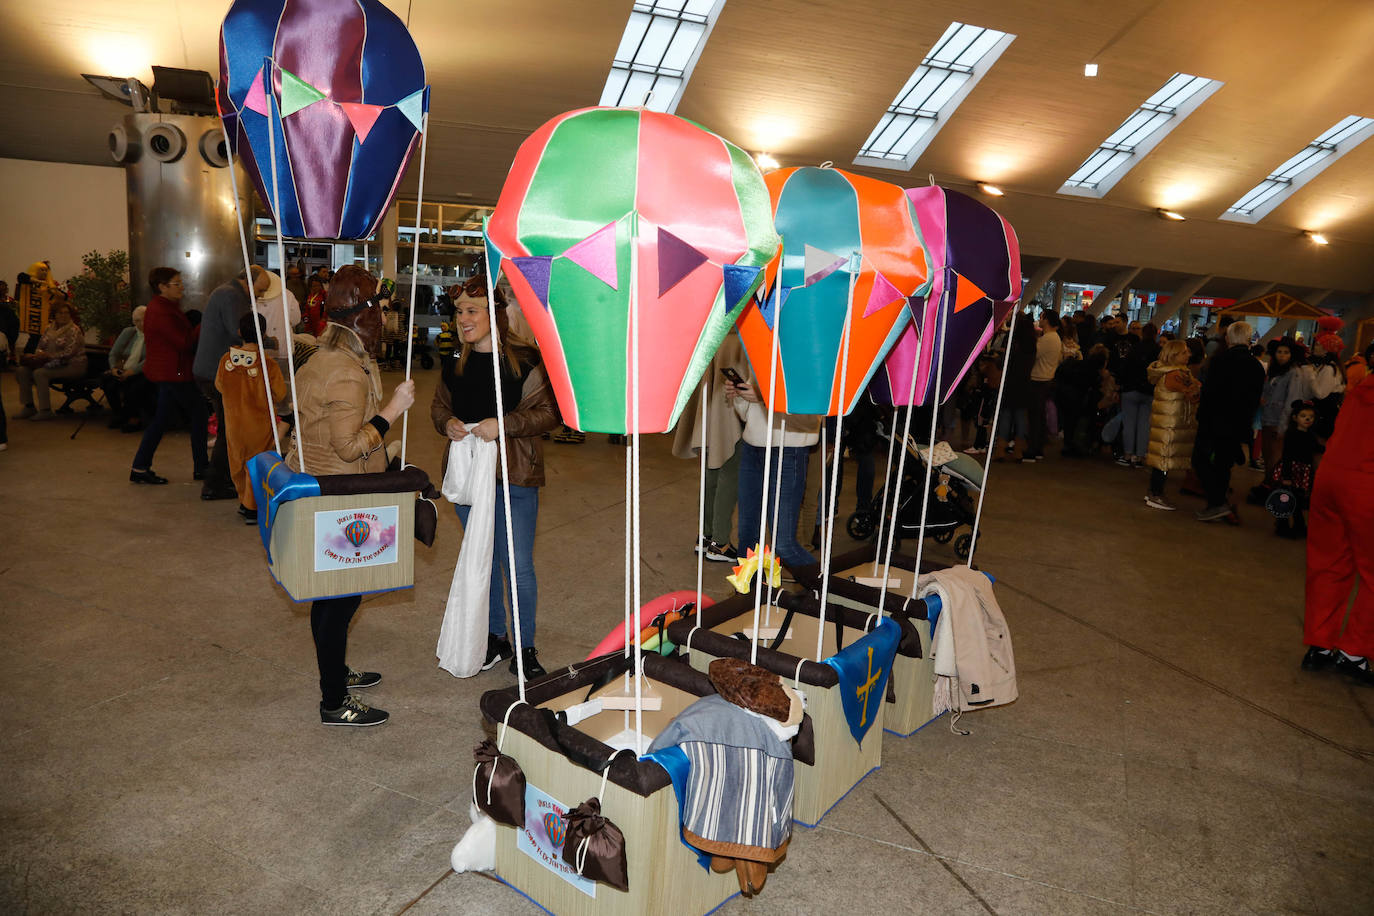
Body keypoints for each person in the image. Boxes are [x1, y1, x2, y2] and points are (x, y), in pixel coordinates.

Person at [289, 265, 415, 727]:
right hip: (340, 498)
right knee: (339, 601)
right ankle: (333, 700)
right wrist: (391, 413)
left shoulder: (327, 358)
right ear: (362, 316)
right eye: (379, 309)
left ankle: (336, 671)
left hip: (330, 493)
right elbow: (347, 447)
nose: (385, 318)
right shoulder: (345, 372)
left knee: (337, 599)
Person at [431, 275, 558, 677]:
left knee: (517, 564)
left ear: (496, 315)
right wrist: (447, 422)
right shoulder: (456, 362)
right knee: (481, 558)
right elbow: (438, 406)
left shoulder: (527, 359)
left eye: (471, 311)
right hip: (469, 478)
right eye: (458, 312)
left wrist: (502, 424)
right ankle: (496, 638)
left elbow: (549, 413)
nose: (462, 320)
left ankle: (525, 648)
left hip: (514, 475)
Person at [1300, 366, 1374, 686]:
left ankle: (1320, 644)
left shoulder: (1363, 386)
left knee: (1328, 563)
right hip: (1366, 486)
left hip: (1330, 479)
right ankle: (1354, 652)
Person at [727, 372, 820, 571]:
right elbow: (746, 414)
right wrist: (739, 396)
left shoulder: (804, 354)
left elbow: (813, 415)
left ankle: (827, 594)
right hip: (753, 448)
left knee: (784, 544)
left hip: (789, 449)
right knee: (747, 536)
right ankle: (748, 597)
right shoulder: (762, 351)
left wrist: (766, 396)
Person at [195, 266, 269, 501]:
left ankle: (219, 477)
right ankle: (215, 485)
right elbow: (241, 332)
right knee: (230, 430)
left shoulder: (226, 292)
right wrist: (267, 341)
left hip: (211, 370)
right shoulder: (231, 295)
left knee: (229, 428)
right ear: (247, 282)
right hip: (216, 373)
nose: (260, 296)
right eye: (259, 290)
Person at [673, 332, 748, 563]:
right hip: (729, 417)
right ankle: (720, 543)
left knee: (710, 475)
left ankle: (705, 537)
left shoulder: (712, 333)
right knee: (728, 476)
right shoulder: (739, 340)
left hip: (707, 415)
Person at [130, 268, 208, 485]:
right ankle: (201, 467)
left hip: (172, 371)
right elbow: (183, 342)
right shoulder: (161, 311)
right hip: (174, 372)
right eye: (176, 283)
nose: (181, 287)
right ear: (162, 287)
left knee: (161, 420)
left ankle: (140, 467)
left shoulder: (164, 307)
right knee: (198, 414)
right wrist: (204, 325)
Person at [216, 312, 287, 524]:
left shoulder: (225, 361)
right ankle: (252, 508)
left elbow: (219, 386)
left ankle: (244, 501)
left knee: (238, 463)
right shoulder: (268, 365)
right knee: (257, 465)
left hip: (234, 424)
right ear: (263, 333)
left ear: (239, 332)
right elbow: (280, 393)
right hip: (259, 425)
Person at [1191, 321, 1264, 522]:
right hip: (1238, 423)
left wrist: (1201, 417)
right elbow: (1254, 399)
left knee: (1200, 460)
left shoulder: (1220, 360)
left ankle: (1217, 502)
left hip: (1214, 420)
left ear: (1228, 338)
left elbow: (1210, 393)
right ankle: (1218, 503)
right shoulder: (1256, 366)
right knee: (1223, 465)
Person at [1143, 340, 1200, 510]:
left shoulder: (1177, 372)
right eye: (1184, 352)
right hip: (1168, 427)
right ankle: (1156, 494)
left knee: (1163, 462)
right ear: (1174, 355)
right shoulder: (1174, 375)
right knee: (1163, 463)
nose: (1189, 355)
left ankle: (1155, 492)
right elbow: (1192, 394)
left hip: (1168, 424)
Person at [13, 298, 86, 421]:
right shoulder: (49, 328)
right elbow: (40, 346)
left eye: (66, 313)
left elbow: (69, 353)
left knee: (40, 373)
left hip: (72, 365)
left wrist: (48, 356)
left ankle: (45, 410)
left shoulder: (74, 330)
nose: (63, 315)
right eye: (60, 313)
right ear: (55, 315)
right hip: (50, 363)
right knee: (22, 371)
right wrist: (37, 356)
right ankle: (29, 406)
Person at [1269, 401, 1322, 539]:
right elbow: (1286, 455)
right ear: (1295, 418)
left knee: (1298, 501)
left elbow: (1316, 449)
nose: (1307, 419)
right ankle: (1282, 525)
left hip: (1303, 472)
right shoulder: (1291, 435)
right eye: (1303, 416)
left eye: (1310, 416)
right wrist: (1286, 476)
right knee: (1286, 500)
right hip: (1290, 471)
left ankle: (1299, 525)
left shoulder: (1311, 436)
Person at [1258, 338, 1306, 475]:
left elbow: (1292, 400)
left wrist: (1284, 426)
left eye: (1286, 352)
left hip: (1279, 421)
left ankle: (1272, 485)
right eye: (1279, 352)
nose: (1282, 355)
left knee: (1275, 456)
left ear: (1292, 354)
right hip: (1267, 418)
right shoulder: (1275, 370)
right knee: (1267, 454)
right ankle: (1267, 483)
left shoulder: (1294, 372)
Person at [1117, 321, 1160, 468]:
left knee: (1129, 424)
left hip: (1131, 389)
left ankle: (1128, 455)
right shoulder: (1158, 351)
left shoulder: (1134, 349)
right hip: (1149, 391)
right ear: (1156, 334)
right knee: (1144, 425)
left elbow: (1124, 369)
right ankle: (1140, 456)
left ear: (1142, 333)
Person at [993, 313, 1036, 460]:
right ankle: (1018, 451)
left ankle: (1000, 450)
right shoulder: (1032, 345)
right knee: (1021, 419)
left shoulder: (1013, 343)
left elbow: (1003, 362)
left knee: (1005, 417)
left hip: (1009, 383)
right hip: (1024, 385)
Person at [101, 305, 150, 431]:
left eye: (144, 319)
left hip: (142, 371)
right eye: (137, 321)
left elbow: (150, 358)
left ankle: (134, 418)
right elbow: (114, 353)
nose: (141, 323)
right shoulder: (128, 332)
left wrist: (132, 372)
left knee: (135, 385)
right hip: (123, 368)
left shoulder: (154, 335)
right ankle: (119, 413)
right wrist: (113, 368)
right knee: (107, 381)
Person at [1023, 310, 1062, 462]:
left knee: (1035, 417)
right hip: (1046, 379)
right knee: (1038, 416)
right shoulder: (1054, 337)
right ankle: (1037, 448)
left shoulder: (1048, 338)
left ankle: (1033, 449)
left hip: (1039, 380)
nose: (1039, 319)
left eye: (1041, 317)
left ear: (1046, 320)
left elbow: (1034, 355)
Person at [254, 270, 300, 371]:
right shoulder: (288, 294)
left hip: (259, 352)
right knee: (281, 384)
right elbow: (296, 319)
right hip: (283, 349)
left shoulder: (255, 295)